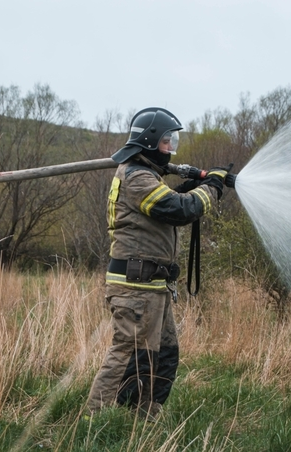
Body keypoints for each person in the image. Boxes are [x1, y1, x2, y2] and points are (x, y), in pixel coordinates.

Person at [87, 108, 227, 420]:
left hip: (151, 286)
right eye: (166, 142)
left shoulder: (145, 176)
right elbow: (179, 210)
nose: (170, 149)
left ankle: (143, 420)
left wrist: (188, 190)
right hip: (135, 287)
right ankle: (94, 421)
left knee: (163, 355)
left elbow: (164, 207)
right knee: (128, 355)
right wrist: (212, 188)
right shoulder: (137, 177)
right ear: (149, 142)